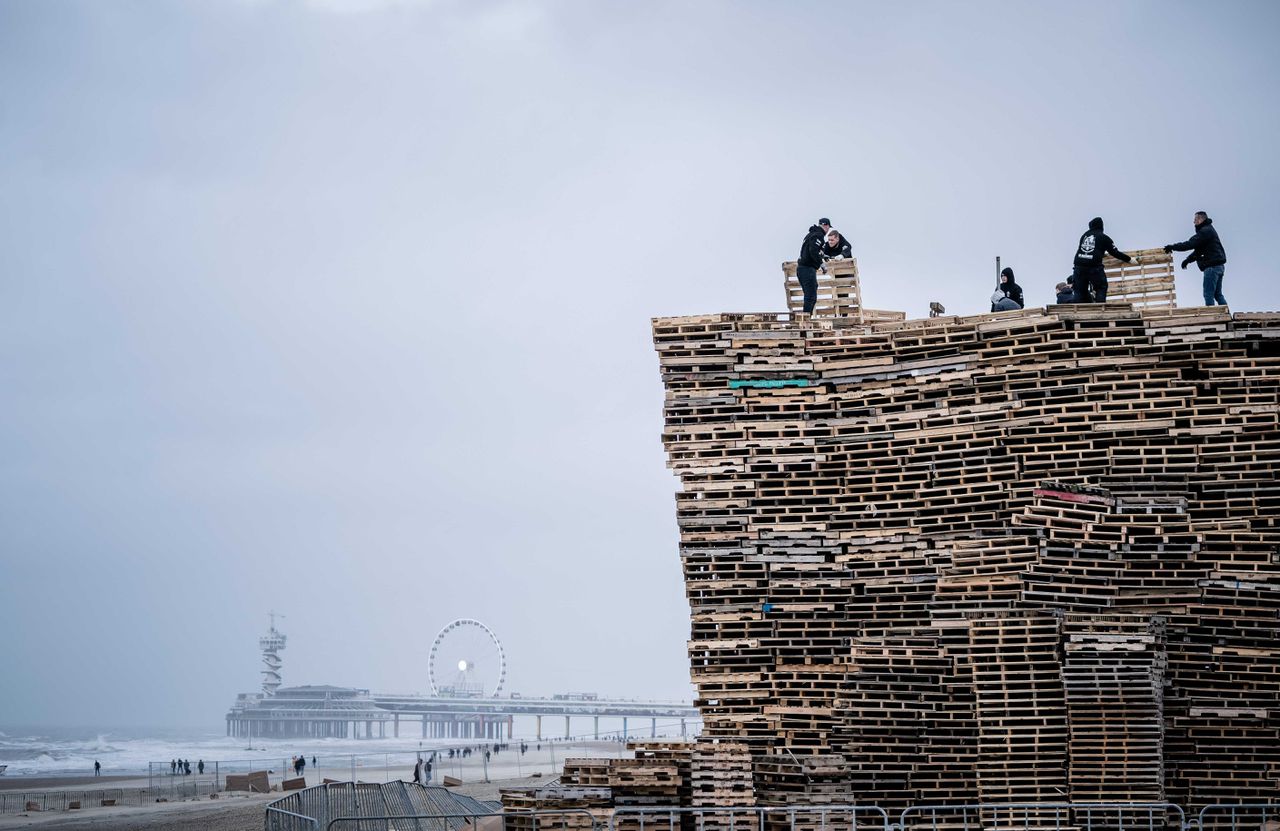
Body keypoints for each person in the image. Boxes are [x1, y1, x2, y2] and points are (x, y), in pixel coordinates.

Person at [1164, 211, 1227, 306]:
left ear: (1201, 219)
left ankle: (1213, 316)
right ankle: (1226, 314)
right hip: (1218, 266)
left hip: (1212, 268)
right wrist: (1188, 260)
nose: (1194, 222)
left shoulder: (1205, 231)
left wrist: (1172, 247)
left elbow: (1190, 244)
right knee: (1217, 294)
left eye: (1195, 220)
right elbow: (1199, 250)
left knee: (1208, 294)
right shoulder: (1208, 230)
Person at [1071, 216, 1135, 303]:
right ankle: (1100, 309)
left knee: (1080, 291)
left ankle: (1078, 312)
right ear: (1102, 226)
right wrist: (1129, 259)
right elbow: (1114, 252)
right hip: (1093, 267)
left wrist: (1099, 253)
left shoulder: (1084, 236)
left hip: (1079, 266)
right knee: (1101, 287)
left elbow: (1089, 249)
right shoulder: (1104, 237)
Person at [796, 221, 827, 313]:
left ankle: (806, 317)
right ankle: (805, 319)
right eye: (828, 227)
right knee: (811, 296)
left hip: (802, 269)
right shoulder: (818, 235)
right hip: (807, 269)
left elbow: (810, 250)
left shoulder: (810, 235)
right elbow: (813, 250)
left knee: (811, 295)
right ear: (825, 226)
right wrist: (821, 264)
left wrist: (822, 256)